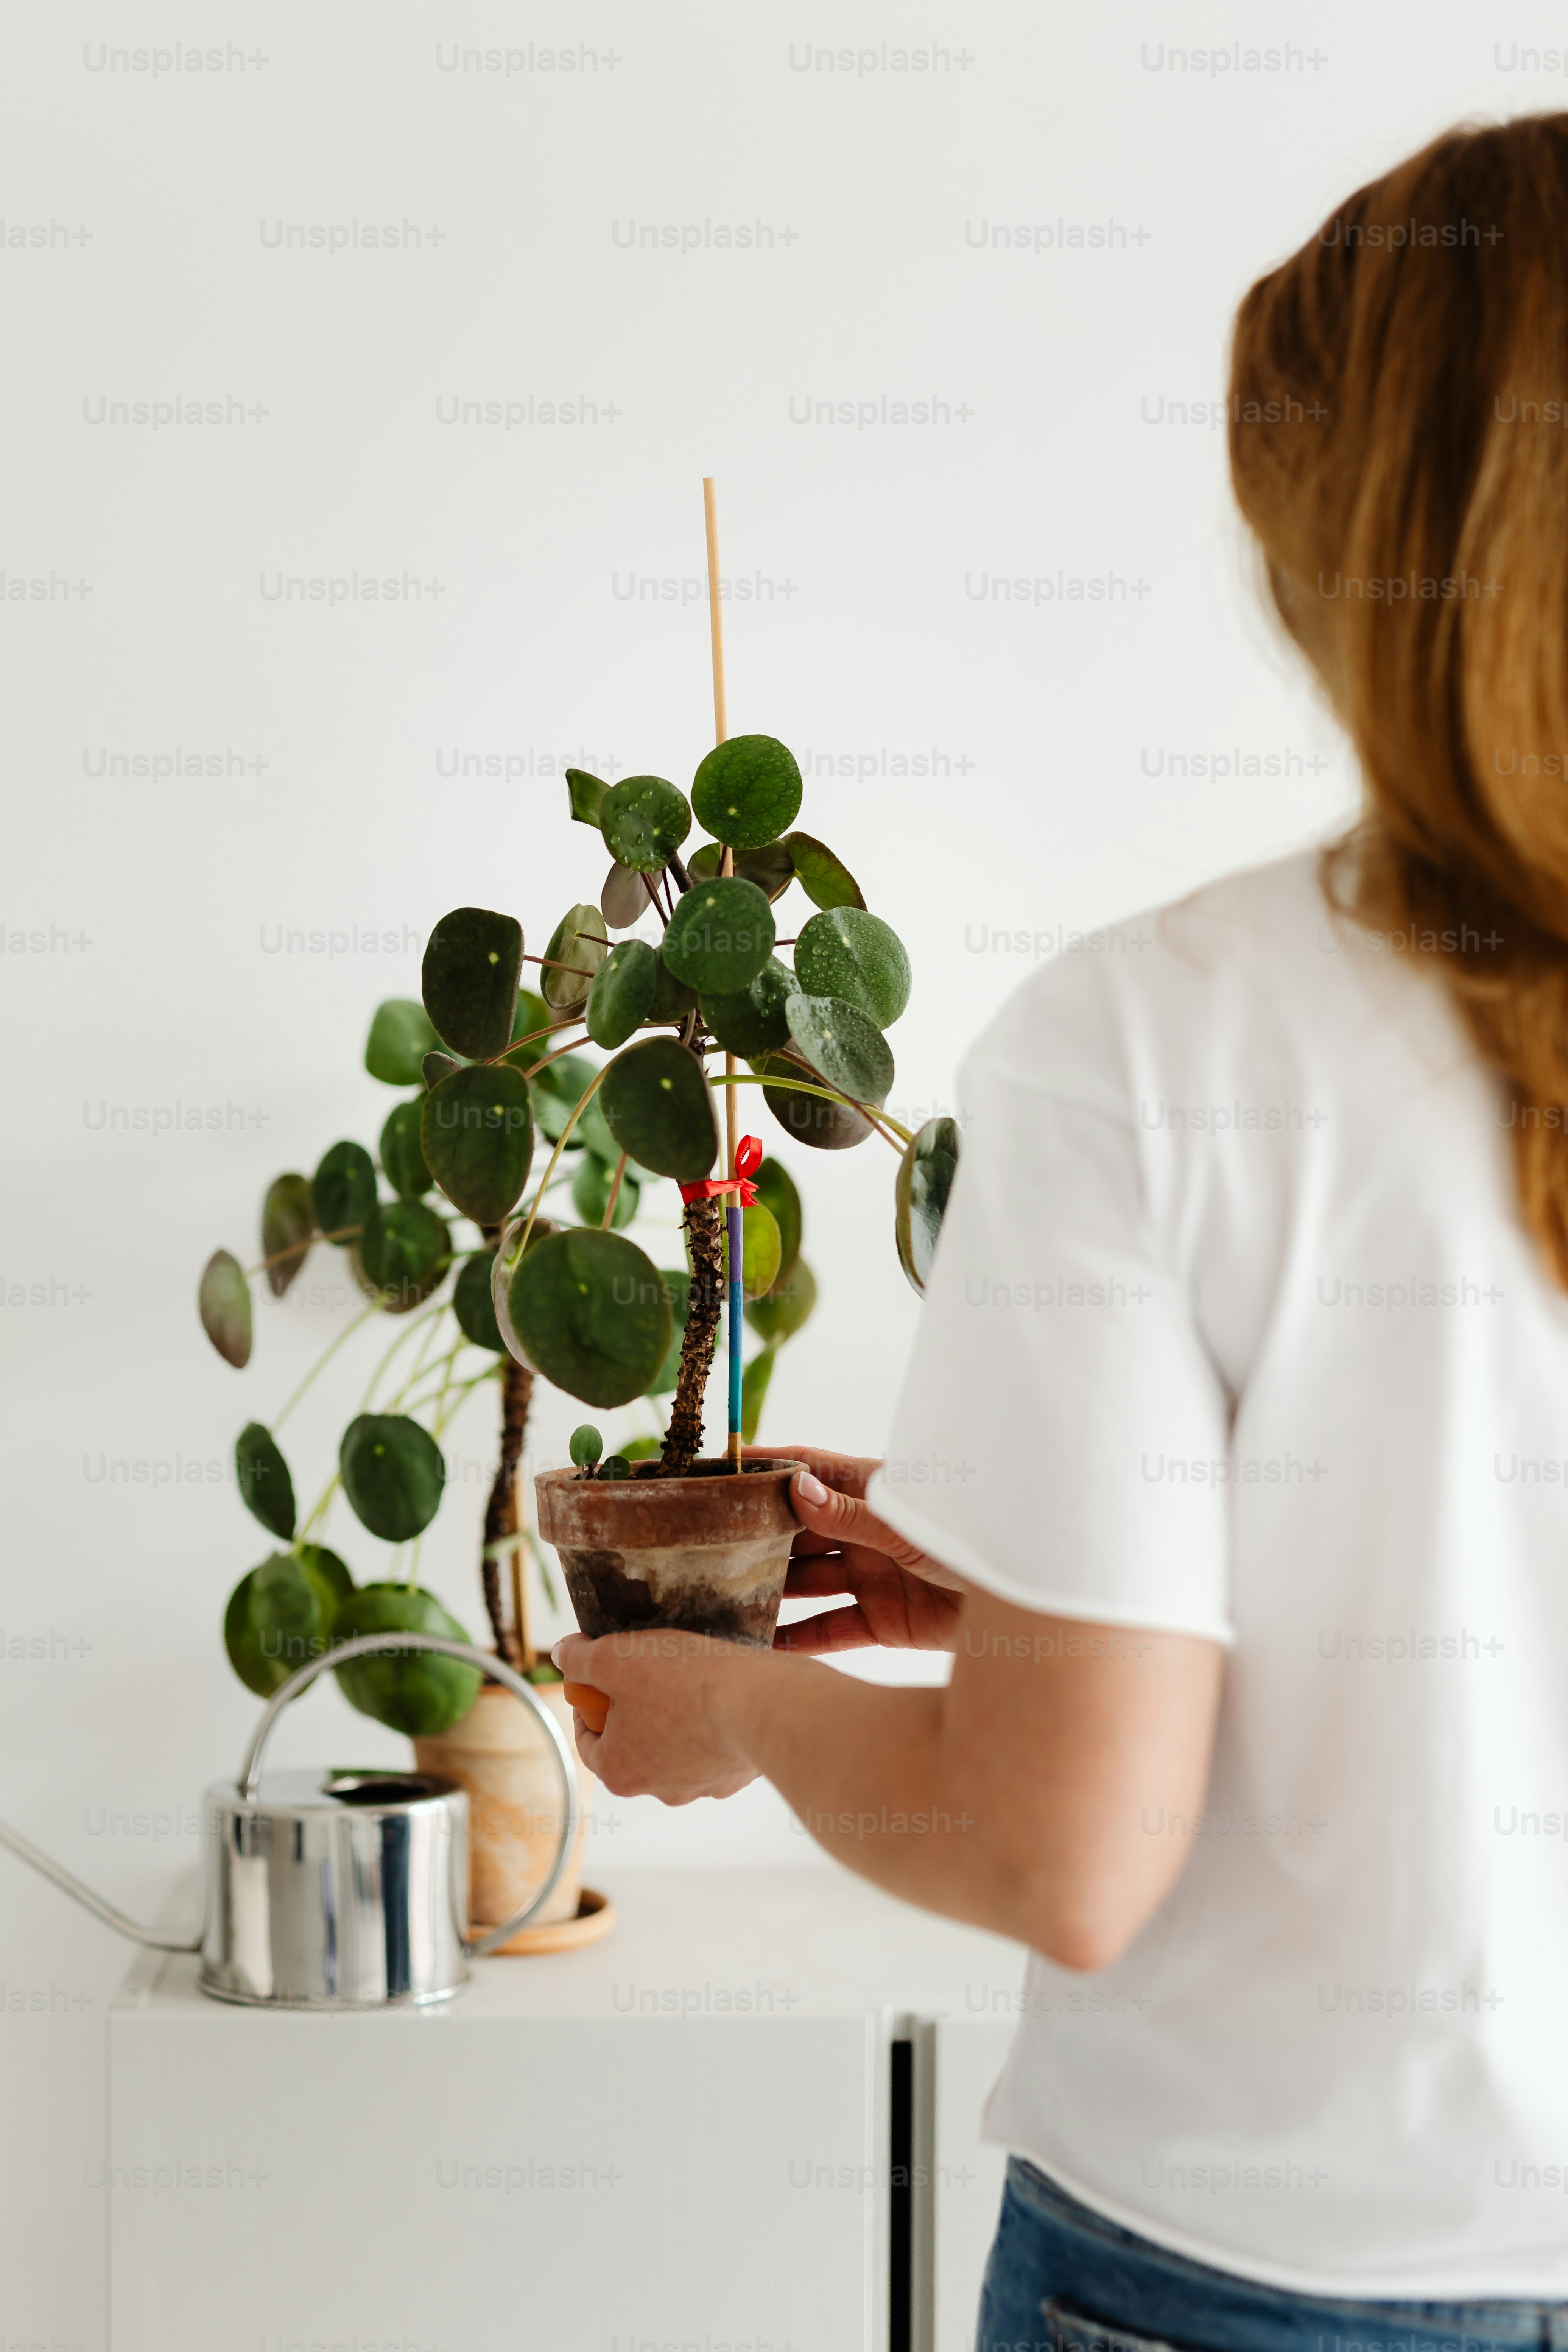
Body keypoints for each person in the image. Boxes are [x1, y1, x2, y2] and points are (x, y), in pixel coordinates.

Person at [557, 114, 1568, 2351]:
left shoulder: (1161, 1039)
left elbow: (1061, 1859)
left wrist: (740, 1711)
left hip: (1252, 2286)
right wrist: (1028, 1594)